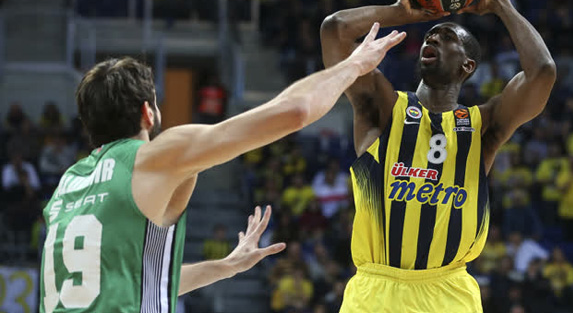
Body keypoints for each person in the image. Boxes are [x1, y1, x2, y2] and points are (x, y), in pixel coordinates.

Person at [39, 23, 406, 312]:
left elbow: (131, 282)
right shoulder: (151, 157)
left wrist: (226, 267)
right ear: (148, 113)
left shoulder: (70, 184)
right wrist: (354, 65)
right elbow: (294, 112)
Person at [320, 0, 556, 312]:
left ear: (468, 65)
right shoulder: (384, 109)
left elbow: (543, 72)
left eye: (447, 37)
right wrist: (400, 12)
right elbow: (334, 30)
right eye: (430, 35)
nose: (432, 39)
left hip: (449, 293)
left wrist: (500, 4)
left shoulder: (482, 127)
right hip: (375, 293)